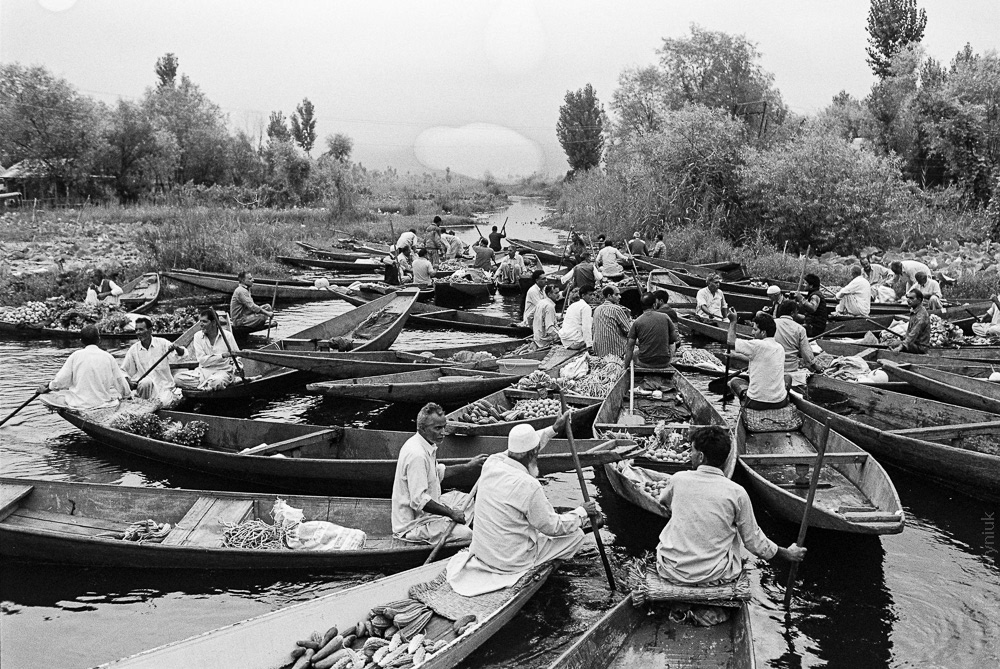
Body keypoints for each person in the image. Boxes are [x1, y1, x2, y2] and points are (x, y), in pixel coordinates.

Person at [446, 414, 600, 596]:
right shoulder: (529, 485)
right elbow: (553, 527)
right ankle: (539, 564)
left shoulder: (492, 462)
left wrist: (554, 430)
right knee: (576, 535)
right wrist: (582, 512)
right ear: (533, 453)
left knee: (538, 525)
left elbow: (524, 448)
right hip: (513, 562)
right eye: (535, 452)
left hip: (483, 553)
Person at [656, 425, 805, 585]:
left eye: (691, 450)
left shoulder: (678, 479)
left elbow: (663, 502)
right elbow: (754, 542)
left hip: (671, 570)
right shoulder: (737, 492)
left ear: (700, 456)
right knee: (735, 539)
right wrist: (788, 554)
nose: (689, 455)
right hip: (713, 576)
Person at [391, 403, 488, 544]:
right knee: (467, 534)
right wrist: (451, 513)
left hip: (429, 511)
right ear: (422, 429)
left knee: (467, 500)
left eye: (444, 427)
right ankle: (450, 526)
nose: (443, 432)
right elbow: (419, 500)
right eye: (437, 428)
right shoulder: (417, 454)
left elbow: (438, 472)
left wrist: (468, 466)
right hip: (414, 524)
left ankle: (449, 525)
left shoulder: (427, 444)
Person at [37, 325, 132, 410]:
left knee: (47, 396)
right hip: (102, 403)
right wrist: (127, 396)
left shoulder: (75, 356)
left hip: (79, 404)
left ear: (81, 341)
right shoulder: (108, 357)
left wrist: (48, 388)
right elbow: (120, 381)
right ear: (99, 339)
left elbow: (61, 380)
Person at [726, 310, 788, 407]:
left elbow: (730, 341)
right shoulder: (780, 348)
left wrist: (733, 321)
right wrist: (735, 356)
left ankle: (744, 400)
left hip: (756, 402)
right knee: (788, 377)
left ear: (763, 333)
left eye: (755, 330)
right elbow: (760, 359)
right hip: (780, 402)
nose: (752, 332)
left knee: (734, 381)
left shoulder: (757, 344)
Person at [120, 316, 187, 406]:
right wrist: (129, 382)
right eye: (136, 330)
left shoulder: (162, 343)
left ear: (150, 330)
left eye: (141, 329)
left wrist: (177, 348)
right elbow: (124, 371)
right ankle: (144, 405)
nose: (138, 333)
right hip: (146, 389)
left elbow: (182, 355)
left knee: (163, 403)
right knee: (145, 382)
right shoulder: (133, 349)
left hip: (164, 387)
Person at [174, 309, 241, 391]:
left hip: (222, 371)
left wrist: (238, 370)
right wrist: (222, 356)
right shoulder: (197, 336)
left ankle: (207, 386)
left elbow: (237, 356)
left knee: (217, 381)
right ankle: (208, 386)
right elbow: (202, 361)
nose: (201, 325)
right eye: (200, 321)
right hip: (203, 372)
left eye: (204, 322)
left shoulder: (227, 335)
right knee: (178, 378)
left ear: (213, 323)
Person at [623, 292, 678, 369]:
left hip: (645, 363)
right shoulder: (666, 317)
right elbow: (673, 339)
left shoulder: (637, 321)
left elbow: (629, 347)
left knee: (634, 353)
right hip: (664, 362)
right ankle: (668, 362)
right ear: (654, 305)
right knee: (672, 344)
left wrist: (625, 367)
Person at [773, 301, 818, 388]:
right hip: (790, 368)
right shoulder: (800, 329)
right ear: (792, 313)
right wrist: (814, 366)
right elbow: (807, 356)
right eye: (797, 312)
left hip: (772, 365)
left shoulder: (771, 324)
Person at [592, 286, 633, 359]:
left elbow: (593, 329)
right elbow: (629, 331)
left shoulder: (597, 309)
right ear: (609, 296)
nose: (620, 297)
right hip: (616, 352)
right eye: (616, 294)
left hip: (599, 352)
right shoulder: (616, 309)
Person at [890, 289, 931, 353]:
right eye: (908, 298)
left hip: (920, 347)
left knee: (895, 345)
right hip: (913, 343)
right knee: (892, 343)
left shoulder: (921, 316)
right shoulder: (915, 311)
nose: (908, 300)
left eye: (911, 298)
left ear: (919, 300)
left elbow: (913, 334)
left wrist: (901, 347)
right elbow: (910, 332)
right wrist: (905, 337)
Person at [558, 286, 595, 350]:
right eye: (590, 295)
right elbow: (586, 327)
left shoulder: (573, 305)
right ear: (583, 295)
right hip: (575, 342)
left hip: (565, 341)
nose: (592, 297)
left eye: (593, 295)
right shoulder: (586, 307)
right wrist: (589, 346)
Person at [532, 284, 560, 349]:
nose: (558, 295)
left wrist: (536, 330)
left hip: (537, 338)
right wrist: (560, 335)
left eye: (558, 292)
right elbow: (550, 329)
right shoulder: (550, 306)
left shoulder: (540, 302)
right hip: (544, 341)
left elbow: (529, 317)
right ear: (549, 294)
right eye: (556, 293)